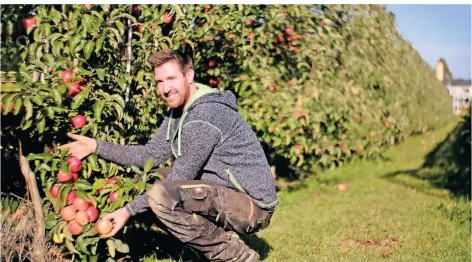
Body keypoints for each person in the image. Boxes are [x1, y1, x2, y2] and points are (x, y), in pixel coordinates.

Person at [59, 47, 278, 262]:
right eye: (159, 82)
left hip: (253, 207)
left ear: (189, 75)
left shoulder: (204, 115)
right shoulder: (177, 113)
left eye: (171, 78)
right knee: (149, 178)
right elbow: (150, 155)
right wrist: (96, 147)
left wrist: (126, 211)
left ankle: (237, 257)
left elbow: (179, 176)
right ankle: (206, 249)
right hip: (225, 193)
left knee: (162, 195)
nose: (165, 89)